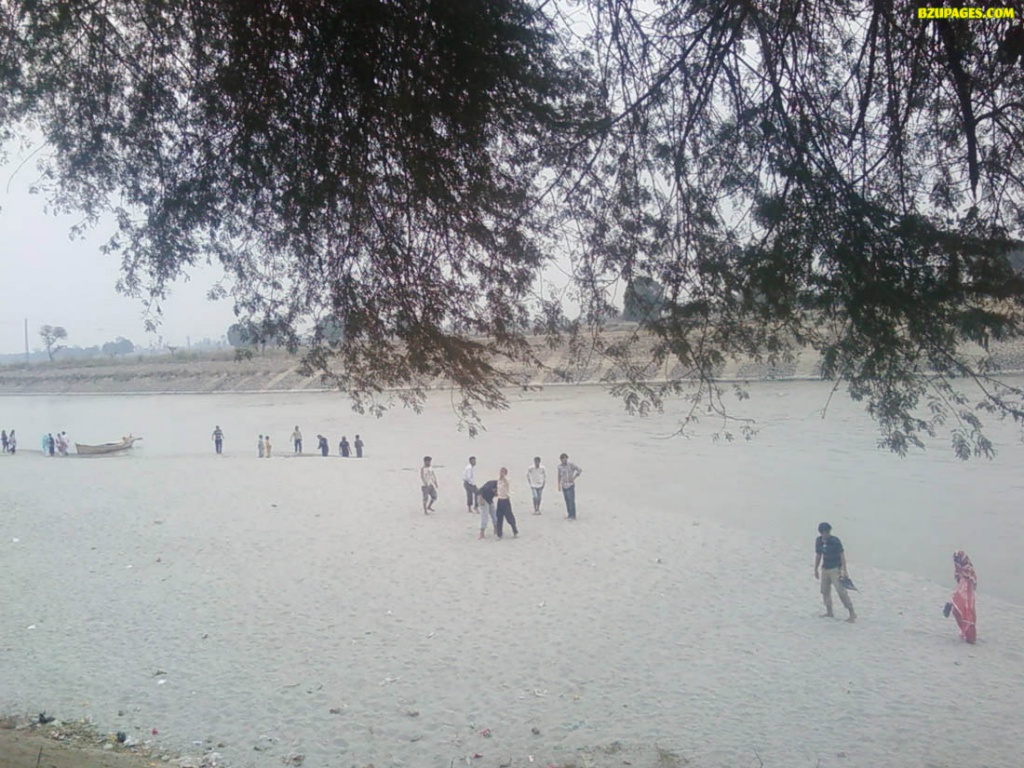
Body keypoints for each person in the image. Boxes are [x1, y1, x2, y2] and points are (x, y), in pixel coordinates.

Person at [814, 522, 856, 623]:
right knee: (825, 590)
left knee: (841, 591)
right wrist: (816, 569)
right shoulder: (819, 541)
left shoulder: (835, 541)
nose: (826, 534)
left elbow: (842, 555)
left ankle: (852, 612)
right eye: (824, 532)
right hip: (825, 568)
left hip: (835, 569)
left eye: (828, 532)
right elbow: (818, 555)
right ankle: (829, 611)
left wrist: (844, 570)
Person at [557, 453, 582, 520]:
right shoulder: (559, 467)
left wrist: (574, 477)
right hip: (564, 485)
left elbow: (579, 470)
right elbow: (559, 475)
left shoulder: (571, 465)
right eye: (563, 459)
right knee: (567, 500)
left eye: (565, 459)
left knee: (571, 500)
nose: (564, 460)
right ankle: (569, 514)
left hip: (570, 485)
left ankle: (573, 515)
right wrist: (558, 485)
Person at [495, 467, 518, 539]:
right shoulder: (498, 480)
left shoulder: (507, 479)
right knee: (499, 517)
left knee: (509, 517)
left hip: (505, 501)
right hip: (500, 500)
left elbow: (507, 482)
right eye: (500, 471)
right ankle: (499, 534)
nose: (501, 473)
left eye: (503, 472)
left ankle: (515, 531)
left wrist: (504, 477)